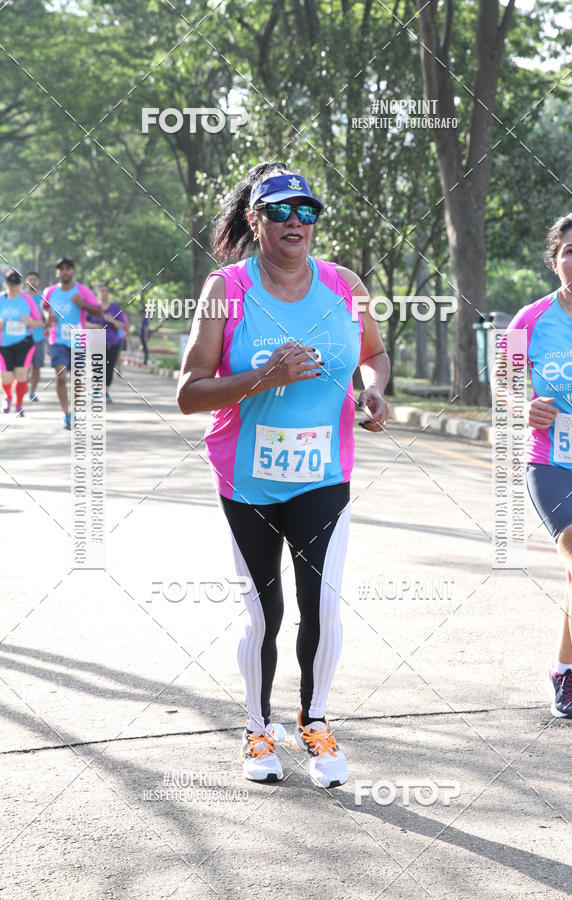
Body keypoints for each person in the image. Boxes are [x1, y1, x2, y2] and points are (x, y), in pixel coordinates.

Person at [177, 162, 390, 787]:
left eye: (307, 211)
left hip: (324, 473)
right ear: (255, 219)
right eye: (279, 210)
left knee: (321, 607)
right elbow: (190, 393)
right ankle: (256, 729)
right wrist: (262, 377)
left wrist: (373, 392)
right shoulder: (226, 289)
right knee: (262, 613)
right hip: (247, 478)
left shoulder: (345, 284)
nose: (295, 222)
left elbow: (374, 354)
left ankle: (315, 722)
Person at [494, 209, 572, 742]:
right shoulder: (529, 321)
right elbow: (504, 384)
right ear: (555, 260)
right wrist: (522, 406)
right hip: (553, 462)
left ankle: (564, 671)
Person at [42, 257, 100, 429]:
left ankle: (74, 412)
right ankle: (65, 413)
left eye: (68, 268)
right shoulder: (50, 291)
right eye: (61, 268)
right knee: (60, 377)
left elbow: (98, 312)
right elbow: (44, 307)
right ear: (57, 272)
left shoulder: (83, 291)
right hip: (57, 340)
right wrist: (47, 317)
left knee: (76, 379)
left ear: (73, 271)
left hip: (78, 339)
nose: (65, 271)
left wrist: (82, 304)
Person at [0, 269, 41, 417]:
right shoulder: (0, 299)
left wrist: (30, 322)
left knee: (21, 374)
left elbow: (39, 321)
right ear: (6, 283)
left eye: (16, 284)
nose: (13, 287)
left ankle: (19, 405)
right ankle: (8, 396)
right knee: (6, 377)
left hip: (24, 343)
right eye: (10, 284)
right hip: (3, 344)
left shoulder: (27, 299)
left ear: (20, 284)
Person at [85, 283, 129, 403]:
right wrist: (94, 326)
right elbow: (84, 322)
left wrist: (112, 320)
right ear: (98, 293)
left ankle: (106, 392)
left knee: (109, 367)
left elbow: (122, 325)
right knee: (97, 365)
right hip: (96, 341)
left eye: (106, 291)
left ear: (109, 293)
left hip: (112, 342)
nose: (104, 293)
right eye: (101, 291)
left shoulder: (115, 308)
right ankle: (96, 391)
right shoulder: (93, 307)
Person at [24, 271, 46, 402]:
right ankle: (23, 389)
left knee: (37, 367)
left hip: (39, 337)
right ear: (26, 281)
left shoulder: (43, 297)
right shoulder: (20, 297)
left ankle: (32, 392)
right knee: (24, 367)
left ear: (38, 282)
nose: (32, 282)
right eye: (30, 279)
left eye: (35, 280)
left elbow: (49, 313)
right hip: (23, 337)